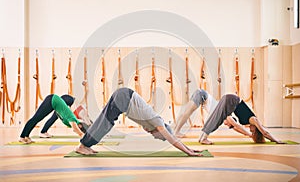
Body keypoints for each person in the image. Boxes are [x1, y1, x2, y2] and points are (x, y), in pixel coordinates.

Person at [75, 87, 204, 156]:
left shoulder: (150, 126)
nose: (158, 138)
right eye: (161, 137)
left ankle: (86, 145)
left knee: (104, 122)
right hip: (124, 98)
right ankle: (83, 146)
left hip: (124, 96)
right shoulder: (157, 122)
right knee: (105, 124)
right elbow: (173, 139)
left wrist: (190, 148)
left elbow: (171, 137)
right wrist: (188, 152)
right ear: (162, 131)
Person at [199, 94, 285, 144]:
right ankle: (204, 138)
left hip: (230, 99)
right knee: (218, 118)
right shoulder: (254, 119)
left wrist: (248, 135)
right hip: (232, 100)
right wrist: (276, 140)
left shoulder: (248, 122)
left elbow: (236, 127)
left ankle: (202, 137)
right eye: (253, 131)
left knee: (216, 116)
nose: (251, 130)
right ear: (256, 128)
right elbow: (265, 132)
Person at [19, 94, 89, 144]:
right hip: (51, 100)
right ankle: (22, 137)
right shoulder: (72, 119)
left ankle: (27, 137)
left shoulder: (74, 121)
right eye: (80, 128)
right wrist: (82, 135)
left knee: (36, 119)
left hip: (54, 102)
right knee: (35, 119)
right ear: (79, 126)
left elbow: (76, 128)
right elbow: (75, 129)